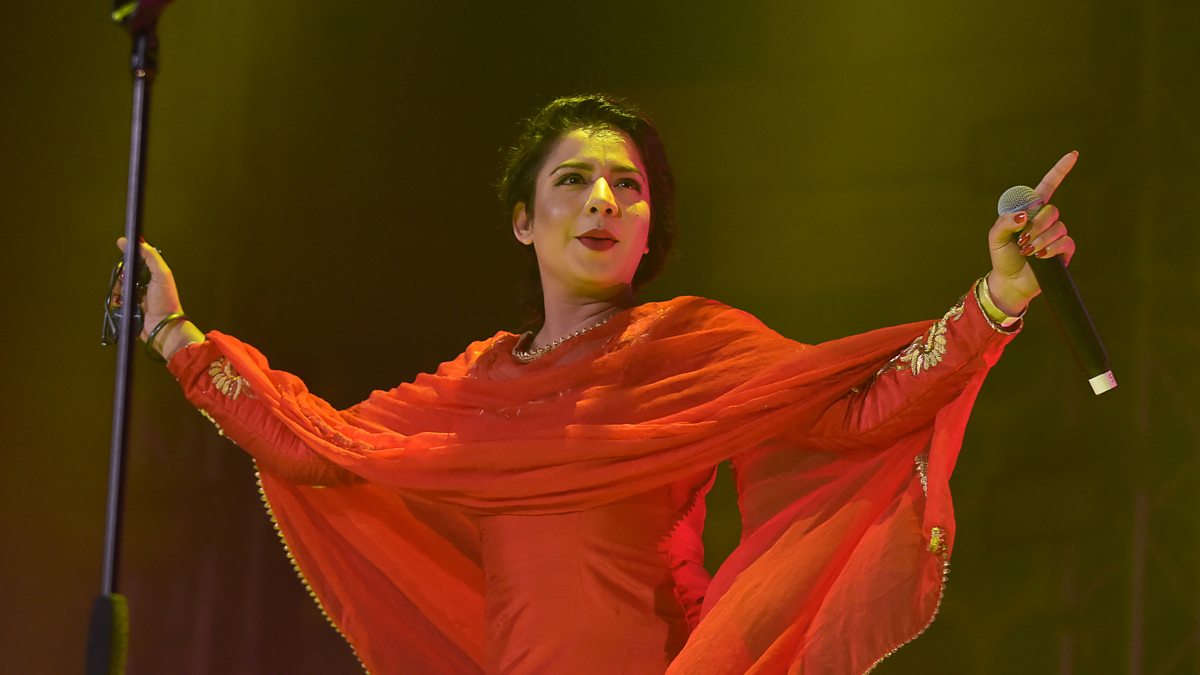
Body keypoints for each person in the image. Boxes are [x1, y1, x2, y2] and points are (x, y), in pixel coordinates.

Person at [116, 94, 1077, 674]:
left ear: (650, 230)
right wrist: (171, 332)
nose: (604, 199)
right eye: (573, 180)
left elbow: (860, 412)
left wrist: (997, 297)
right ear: (523, 221)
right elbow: (321, 447)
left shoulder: (693, 344)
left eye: (629, 185)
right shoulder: (476, 385)